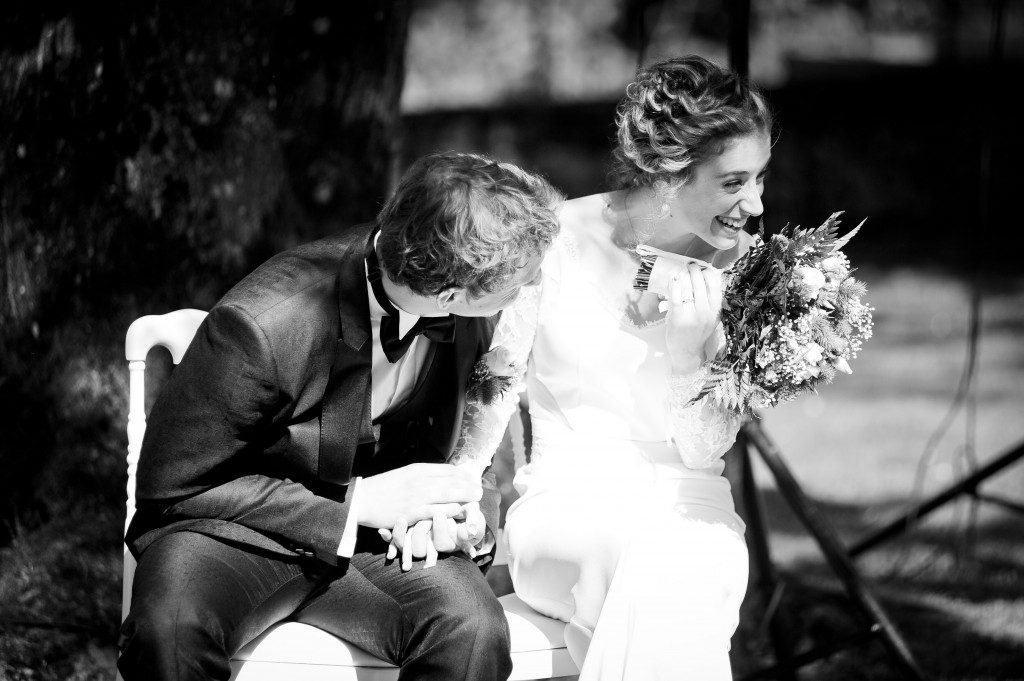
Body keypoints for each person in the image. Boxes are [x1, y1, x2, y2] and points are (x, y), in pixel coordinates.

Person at [117, 152, 562, 681]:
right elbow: (172, 484)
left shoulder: (473, 315)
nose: (532, 285)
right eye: (521, 279)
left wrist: (460, 517)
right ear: (449, 293)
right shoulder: (263, 323)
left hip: (378, 548)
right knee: (168, 630)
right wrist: (361, 504)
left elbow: (469, 446)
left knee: (473, 631)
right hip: (235, 533)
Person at [442, 56, 773, 680]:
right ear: (670, 170)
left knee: (690, 558)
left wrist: (689, 358)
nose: (755, 203)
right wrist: (461, 487)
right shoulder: (553, 240)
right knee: (663, 566)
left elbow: (704, 451)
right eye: (734, 182)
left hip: (691, 502)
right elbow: (499, 382)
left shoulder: (752, 271)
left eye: (760, 177)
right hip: (567, 501)